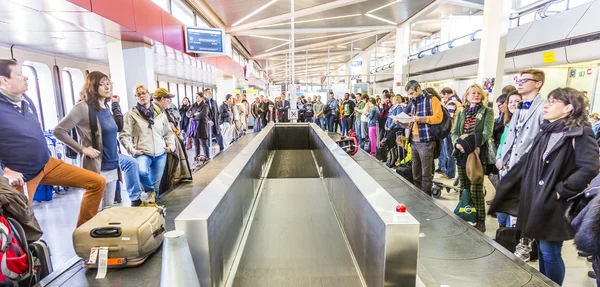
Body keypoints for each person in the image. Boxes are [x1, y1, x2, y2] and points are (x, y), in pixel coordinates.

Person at [490, 88, 599, 285]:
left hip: (556, 201)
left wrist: (561, 191)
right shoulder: (548, 129)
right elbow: (531, 159)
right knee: (541, 248)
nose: (546, 105)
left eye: (553, 101)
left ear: (568, 108)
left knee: (550, 250)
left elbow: (589, 167)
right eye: (547, 101)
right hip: (537, 196)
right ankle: (544, 282)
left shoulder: (580, 132)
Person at [0, 59, 106, 227]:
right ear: (3, 80)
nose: (25, 78)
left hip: (47, 163)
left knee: (97, 182)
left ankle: (83, 233)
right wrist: (4, 170)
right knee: (23, 223)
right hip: (23, 174)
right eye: (19, 74)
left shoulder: (25, 100)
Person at [497, 69, 546, 262]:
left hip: (529, 168)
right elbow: (512, 136)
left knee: (524, 211)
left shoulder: (543, 109)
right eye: (518, 79)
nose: (520, 82)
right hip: (511, 166)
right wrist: (503, 158)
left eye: (525, 80)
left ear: (538, 83)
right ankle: (516, 246)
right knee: (513, 209)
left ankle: (524, 250)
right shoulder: (520, 108)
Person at [54, 71, 120, 209]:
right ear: (92, 87)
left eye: (108, 84)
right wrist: (83, 149)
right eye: (101, 85)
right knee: (94, 209)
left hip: (112, 163)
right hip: (96, 165)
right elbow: (59, 131)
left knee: (109, 208)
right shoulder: (82, 107)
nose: (107, 87)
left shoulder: (105, 107)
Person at [119, 85, 176, 205]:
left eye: (143, 93)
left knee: (156, 185)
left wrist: (171, 146)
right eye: (138, 94)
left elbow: (168, 133)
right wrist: (132, 150)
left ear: (149, 94)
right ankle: (150, 193)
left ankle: (155, 211)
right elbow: (123, 135)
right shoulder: (131, 114)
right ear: (136, 98)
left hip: (161, 153)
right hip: (143, 152)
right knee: (141, 172)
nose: (142, 96)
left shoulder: (160, 113)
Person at [451, 84, 494, 232]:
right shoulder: (462, 112)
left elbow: (487, 133)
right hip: (462, 153)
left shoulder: (487, 111)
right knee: (464, 187)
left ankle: (480, 219)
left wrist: (471, 144)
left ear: (481, 96)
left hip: (476, 154)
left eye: (478, 93)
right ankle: (464, 213)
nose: (475, 95)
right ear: (467, 96)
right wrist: (458, 144)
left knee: (476, 187)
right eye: (472, 93)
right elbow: (455, 132)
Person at [403, 80, 443, 196]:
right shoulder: (413, 102)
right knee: (416, 172)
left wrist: (420, 119)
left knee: (426, 173)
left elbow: (438, 118)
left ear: (418, 89)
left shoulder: (432, 100)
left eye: (412, 93)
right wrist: (402, 122)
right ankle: (418, 196)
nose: (411, 96)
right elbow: (412, 121)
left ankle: (426, 198)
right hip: (414, 141)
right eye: (409, 94)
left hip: (426, 141)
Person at [494, 91, 522, 227]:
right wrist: (499, 158)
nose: (513, 104)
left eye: (517, 101)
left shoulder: (523, 123)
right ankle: (502, 230)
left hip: (514, 169)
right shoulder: (508, 121)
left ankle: (508, 233)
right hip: (503, 168)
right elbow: (503, 143)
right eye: (510, 102)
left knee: (510, 203)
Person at [438, 87, 462, 179]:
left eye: (443, 96)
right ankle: (449, 172)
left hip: (450, 131)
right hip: (455, 130)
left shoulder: (451, 103)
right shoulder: (458, 101)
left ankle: (449, 173)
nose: (443, 98)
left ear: (446, 94)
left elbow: (449, 118)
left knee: (450, 153)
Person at [188, 93, 210, 162]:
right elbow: (187, 113)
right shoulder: (193, 105)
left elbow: (202, 115)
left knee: (203, 143)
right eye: (195, 96)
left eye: (197, 96)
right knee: (195, 143)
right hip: (194, 127)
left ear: (201, 97)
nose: (195, 98)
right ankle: (196, 157)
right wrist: (194, 114)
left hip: (202, 126)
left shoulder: (205, 105)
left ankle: (207, 157)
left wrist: (193, 116)